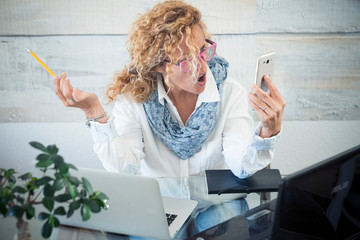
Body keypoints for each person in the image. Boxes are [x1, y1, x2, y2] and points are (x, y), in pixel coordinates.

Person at [54, 0, 285, 179]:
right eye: (187, 60)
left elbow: (241, 166)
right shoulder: (135, 100)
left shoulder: (230, 92)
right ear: (159, 65)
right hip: (162, 206)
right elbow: (126, 168)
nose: (202, 65)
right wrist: (94, 112)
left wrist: (267, 132)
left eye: (203, 50)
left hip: (216, 203)